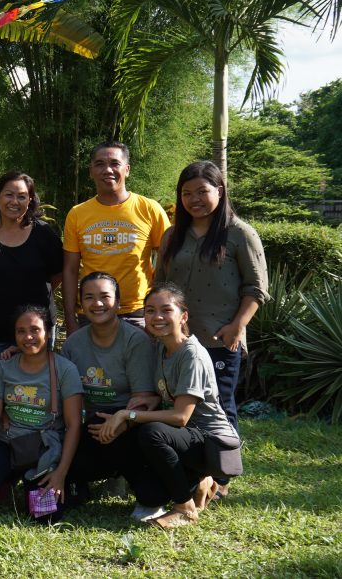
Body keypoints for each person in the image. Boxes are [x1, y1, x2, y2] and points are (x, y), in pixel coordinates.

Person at [93, 284, 240, 529]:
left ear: (183, 316)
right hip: (184, 440)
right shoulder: (162, 347)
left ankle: (185, 508)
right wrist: (147, 402)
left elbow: (181, 416)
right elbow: (170, 395)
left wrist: (127, 414)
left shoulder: (191, 354)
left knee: (151, 432)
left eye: (165, 310)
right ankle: (198, 482)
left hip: (211, 443)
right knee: (150, 494)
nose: (156, 317)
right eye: (150, 310)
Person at [156, 161, 268, 438]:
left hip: (220, 338)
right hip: (176, 340)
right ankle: (194, 474)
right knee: (177, 406)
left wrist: (237, 327)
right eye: (186, 193)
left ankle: (222, 476)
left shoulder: (240, 233)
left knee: (218, 407)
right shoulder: (172, 236)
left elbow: (256, 288)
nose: (194, 200)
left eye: (202, 191)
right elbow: (159, 286)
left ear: (219, 191)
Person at [0, 306, 84, 522]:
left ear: (48, 332)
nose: (28, 337)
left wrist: (61, 473)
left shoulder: (65, 369)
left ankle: (68, 486)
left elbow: (74, 425)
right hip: (9, 442)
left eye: (35, 330)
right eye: (21, 331)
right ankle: (5, 478)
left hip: (45, 447)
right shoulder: (4, 367)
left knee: (44, 516)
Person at [62, 272, 166, 521]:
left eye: (104, 297)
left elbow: (143, 399)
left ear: (118, 303)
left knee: (151, 494)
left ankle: (138, 484)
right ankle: (97, 478)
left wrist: (123, 423)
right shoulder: (74, 343)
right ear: (81, 304)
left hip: (130, 421)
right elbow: (62, 392)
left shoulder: (135, 340)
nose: (97, 303)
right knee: (70, 469)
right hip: (91, 425)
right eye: (89, 297)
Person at [0, 171, 62, 383]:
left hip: (37, 332)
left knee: (38, 392)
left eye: (22, 196)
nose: (14, 201)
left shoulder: (44, 234)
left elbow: (58, 273)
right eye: (9, 195)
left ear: (31, 200)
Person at [63, 142, 169, 333]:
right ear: (91, 171)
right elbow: (70, 270)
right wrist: (70, 318)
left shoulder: (149, 209)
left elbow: (168, 260)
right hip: (92, 313)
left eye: (114, 163)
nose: (107, 170)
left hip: (137, 313)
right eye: (100, 164)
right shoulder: (77, 214)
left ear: (127, 169)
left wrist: (158, 307)